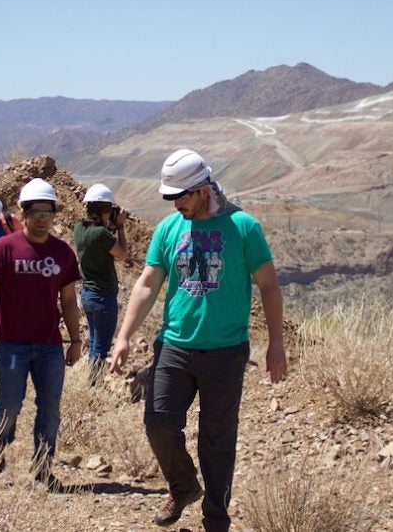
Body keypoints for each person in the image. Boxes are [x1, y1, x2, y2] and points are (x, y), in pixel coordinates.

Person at [110, 149, 287, 532]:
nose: (177, 204)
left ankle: (216, 520)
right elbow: (147, 284)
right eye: (171, 197)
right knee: (158, 421)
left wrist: (276, 344)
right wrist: (123, 337)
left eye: (183, 196)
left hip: (225, 352)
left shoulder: (243, 227)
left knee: (217, 440)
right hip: (175, 345)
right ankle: (184, 487)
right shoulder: (169, 229)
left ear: (204, 189)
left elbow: (270, 287)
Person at [0, 178, 83, 491]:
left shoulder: (62, 252)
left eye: (47, 211)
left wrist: (75, 341)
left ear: (54, 215)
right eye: (35, 211)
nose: (41, 217)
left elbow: (68, 300)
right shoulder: (4, 248)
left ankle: (42, 468)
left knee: (50, 409)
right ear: (23, 214)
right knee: (10, 405)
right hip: (12, 344)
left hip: (50, 345)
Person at [73, 184, 129, 378]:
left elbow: (98, 239)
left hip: (87, 294)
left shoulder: (79, 228)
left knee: (95, 341)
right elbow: (123, 254)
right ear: (107, 210)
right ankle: (94, 385)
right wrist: (120, 226)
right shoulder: (101, 234)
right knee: (101, 347)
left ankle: (91, 381)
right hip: (103, 297)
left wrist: (110, 224)